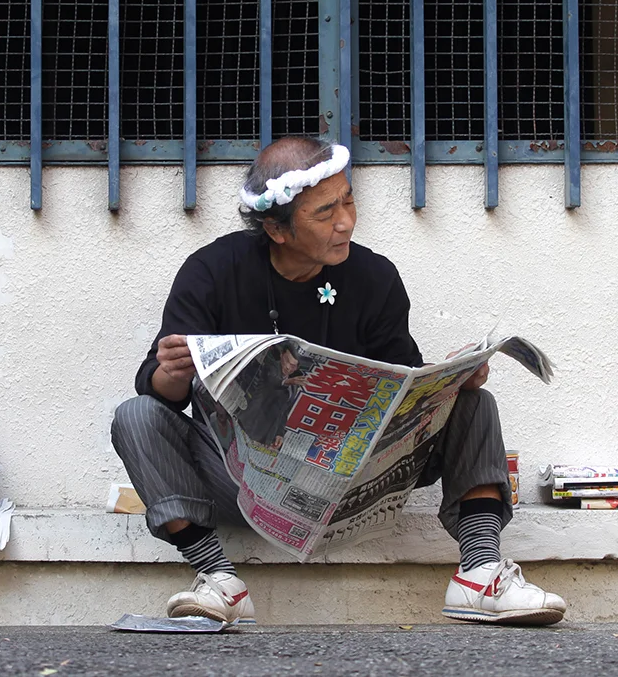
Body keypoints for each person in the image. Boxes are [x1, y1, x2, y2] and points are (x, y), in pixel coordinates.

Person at [111, 136, 567, 627]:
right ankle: (218, 580)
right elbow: (160, 396)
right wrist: (171, 371)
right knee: (136, 416)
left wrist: (449, 383)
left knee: (477, 403)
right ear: (276, 228)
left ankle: (480, 574)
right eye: (325, 212)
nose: (345, 220)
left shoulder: (374, 277)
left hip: (355, 475)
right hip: (247, 478)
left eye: (348, 200)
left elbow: (402, 382)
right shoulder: (213, 272)